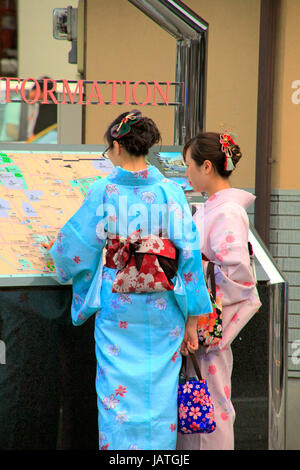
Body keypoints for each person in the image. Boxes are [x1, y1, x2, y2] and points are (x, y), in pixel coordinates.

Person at [44, 110, 212, 450]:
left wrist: (55, 252)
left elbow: (73, 248)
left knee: (115, 396)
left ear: (117, 147)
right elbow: (190, 256)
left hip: (118, 308)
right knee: (159, 396)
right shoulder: (170, 192)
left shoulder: (104, 191)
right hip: (164, 307)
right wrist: (193, 320)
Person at [176, 132, 261, 450]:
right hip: (202, 319)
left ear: (207, 166)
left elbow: (236, 270)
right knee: (200, 405)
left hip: (208, 321)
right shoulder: (214, 208)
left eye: (189, 165)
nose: (187, 172)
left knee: (211, 407)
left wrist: (195, 268)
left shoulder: (226, 211)